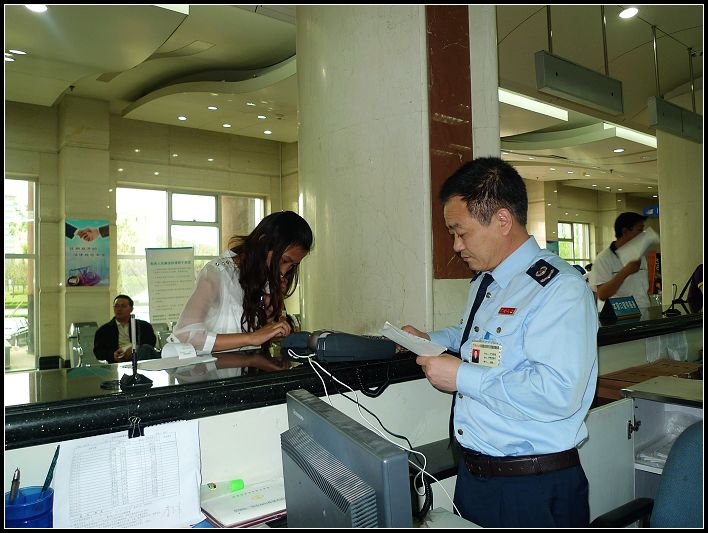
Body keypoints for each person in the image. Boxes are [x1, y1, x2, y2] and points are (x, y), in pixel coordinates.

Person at [401, 156, 598, 527]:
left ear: (503, 220)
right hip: (477, 477)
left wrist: (461, 377)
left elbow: (557, 391)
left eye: (462, 232)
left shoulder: (559, 289)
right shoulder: (487, 282)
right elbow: (474, 335)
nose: (456, 246)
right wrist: (430, 338)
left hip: (532, 487)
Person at [172, 210, 313, 376]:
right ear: (263, 242)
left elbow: (255, 331)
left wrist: (272, 302)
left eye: (292, 266)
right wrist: (251, 338)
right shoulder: (216, 274)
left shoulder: (259, 276)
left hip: (244, 375)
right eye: (284, 261)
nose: (284, 271)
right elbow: (186, 335)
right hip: (211, 380)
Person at [589, 212, 650, 312]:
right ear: (625, 232)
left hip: (643, 313)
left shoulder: (640, 256)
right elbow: (602, 294)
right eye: (639, 230)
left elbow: (643, 291)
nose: (643, 234)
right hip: (618, 316)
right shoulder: (604, 259)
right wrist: (625, 272)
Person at [94, 294, 157, 363]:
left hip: (140, 356)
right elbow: (98, 352)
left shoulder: (143, 326)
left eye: (123, 306)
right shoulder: (104, 330)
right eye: (116, 306)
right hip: (118, 360)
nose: (119, 309)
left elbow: (150, 343)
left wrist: (134, 348)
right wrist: (113, 355)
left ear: (131, 309)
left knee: (145, 349)